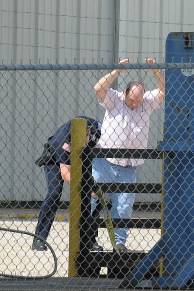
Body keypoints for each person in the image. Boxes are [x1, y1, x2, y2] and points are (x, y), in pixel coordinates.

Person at [92, 58, 165, 254]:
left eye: (138, 101)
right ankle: (86, 239)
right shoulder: (115, 99)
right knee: (92, 199)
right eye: (132, 100)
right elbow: (98, 88)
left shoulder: (146, 103)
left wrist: (157, 72)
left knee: (123, 206)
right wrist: (116, 71)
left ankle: (119, 244)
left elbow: (164, 92)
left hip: (129, 166)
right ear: (125, 93)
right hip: (105, 161)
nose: (134, 104)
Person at [32, 116, 102, 252]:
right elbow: (65, 174)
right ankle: (39, 238)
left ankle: (89, 241)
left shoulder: (97, 128)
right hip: (56, 162)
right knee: (54, 194)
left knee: (95, 197)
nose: (87, 141)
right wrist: (87, 188)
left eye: (87, 137)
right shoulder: (62, 141)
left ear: (89, 132)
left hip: (84, 157)